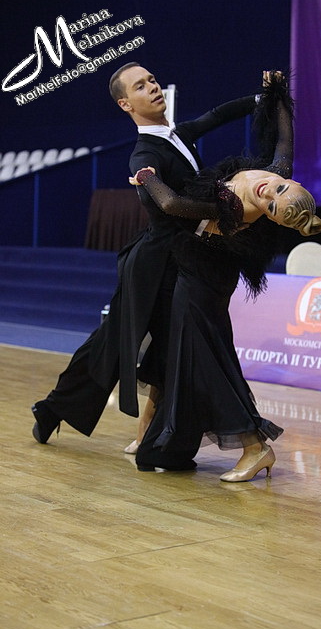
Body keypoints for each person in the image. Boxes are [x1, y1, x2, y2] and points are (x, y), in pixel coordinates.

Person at [31, 62, 258, 447]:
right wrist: (227, 211)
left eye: (152, 80)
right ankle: (56, 409)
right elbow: (168, 204)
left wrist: (262, 99)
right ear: (126, 104)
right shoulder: (143, 155)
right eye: (140, 86)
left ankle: (152, 437)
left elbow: (217, 114)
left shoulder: (177, 135)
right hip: (152, 267)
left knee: (157, 347)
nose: (152, 87)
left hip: (179, 260)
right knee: (113, 344)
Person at [129, 71, 321, 481]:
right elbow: (284, 140)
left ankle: (254, 446)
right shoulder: (277, 171)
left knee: (205, 360)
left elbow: (173, 205)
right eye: (278, 191)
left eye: (271, 208)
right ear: (289, 180)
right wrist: (278, 95)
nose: (268, 194)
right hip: (202, 272)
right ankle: (159, 435)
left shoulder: (237, 209)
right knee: (192, 355)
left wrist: (147, 177)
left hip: (203, 276)